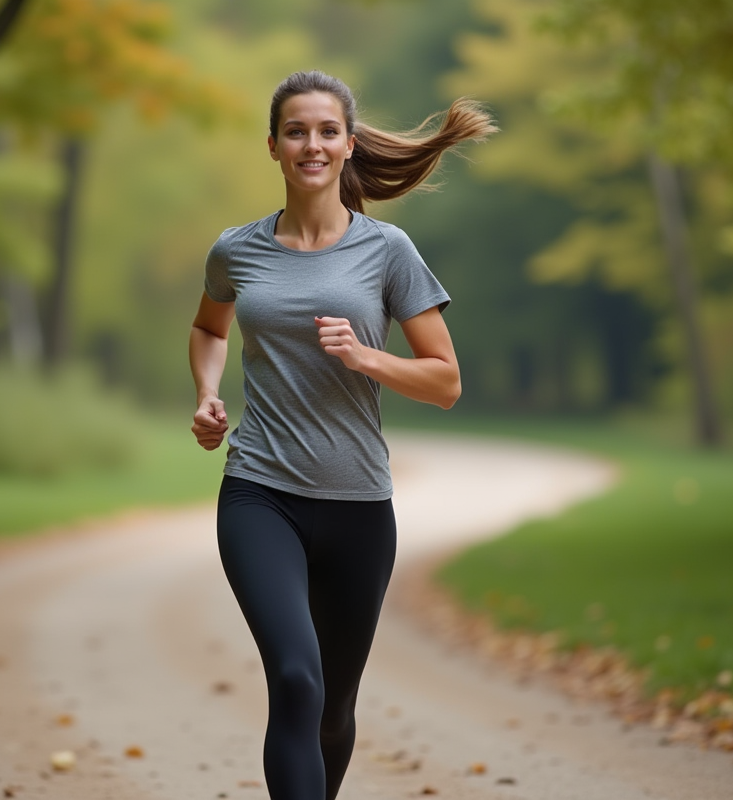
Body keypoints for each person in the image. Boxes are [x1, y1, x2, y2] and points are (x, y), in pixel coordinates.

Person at [188, 69, 494, 800]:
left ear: (348, 145)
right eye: (297, 131)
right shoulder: (238, 250)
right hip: (261, 494)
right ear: (273, 146)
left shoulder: (388, 251)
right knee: (296, 678)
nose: (312, 144)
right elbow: (208, 325)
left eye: (327, 131)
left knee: (333, 711)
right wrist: (206, 395)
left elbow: (446, 381)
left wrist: (366, 357)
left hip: (358, 504)